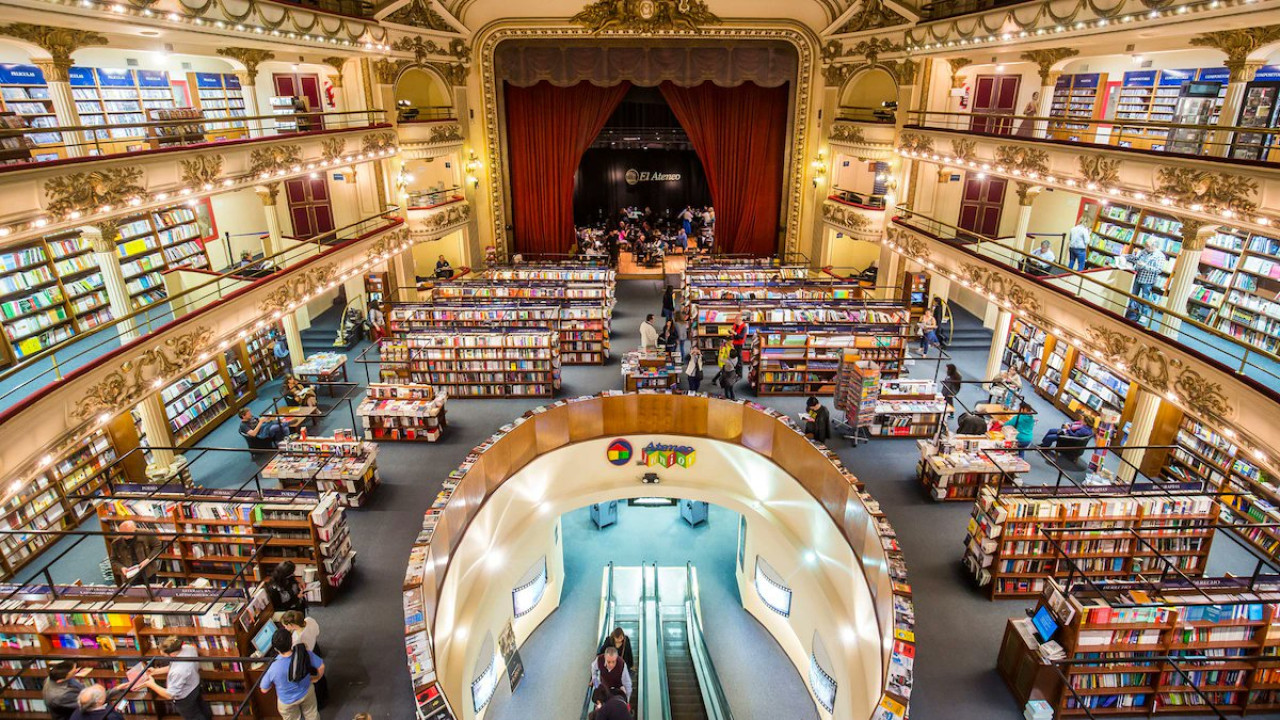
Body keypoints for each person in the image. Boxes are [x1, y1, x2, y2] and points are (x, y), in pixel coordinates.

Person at [258, 629, 324, 720]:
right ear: (292, 640)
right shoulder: (303, 653)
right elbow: (321, 666)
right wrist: (317, 678)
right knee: (312, 715)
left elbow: (264, 689)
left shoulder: (273, 668)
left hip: (287, 701)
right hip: (306, 691)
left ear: (276, 649)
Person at [141, 636, 211, 720]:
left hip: (185, 698)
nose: (164, 657)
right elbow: (175, 665)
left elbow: (170, 695)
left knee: (194, 717)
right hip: (195, 686)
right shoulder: (188, 648)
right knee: (203, 710)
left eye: (164, 655)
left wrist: (151, 684)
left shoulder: (179, 671)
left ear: (173, 654)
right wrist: (156, 671)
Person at [280, 611, 326, 707]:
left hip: (307, 657)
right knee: (320, 675)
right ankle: (325, 694)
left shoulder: (297, 639)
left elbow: (293, 653)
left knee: (314, 679)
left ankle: (320, 702)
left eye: (286, 626)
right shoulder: (309, 620)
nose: (285, 628)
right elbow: (317, 632)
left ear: (292, 625)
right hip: (315, 649)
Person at [1122, 238, 1166, 321]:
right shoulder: (1144, 251)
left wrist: (1144, 266)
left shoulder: (1160, 256)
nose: (1146, 248)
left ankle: (1144, 315)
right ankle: (1131, 311)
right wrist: (1126, 257)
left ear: (1154, 246)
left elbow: (1158, 270)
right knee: (1133, 295)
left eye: (1148, 246)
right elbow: (1136, 259)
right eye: (1146, 246)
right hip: (1138, 276)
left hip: (1148, 280)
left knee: (1145, 297)